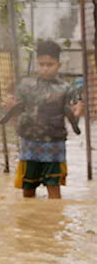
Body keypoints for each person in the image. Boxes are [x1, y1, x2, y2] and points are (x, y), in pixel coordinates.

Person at [6, 39, 83, 199]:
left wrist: (77, 111)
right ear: (37, 64)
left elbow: (76, 107)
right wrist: (9, 106)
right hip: (29, 144)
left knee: (54, 187)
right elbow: (14, 108)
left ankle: (54, 221)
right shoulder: (26, 86)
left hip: (54, 145)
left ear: (59, 65)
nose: (45, 69)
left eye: (50, 64)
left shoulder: (66, 88)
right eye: (42, 64)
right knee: (27, 188)